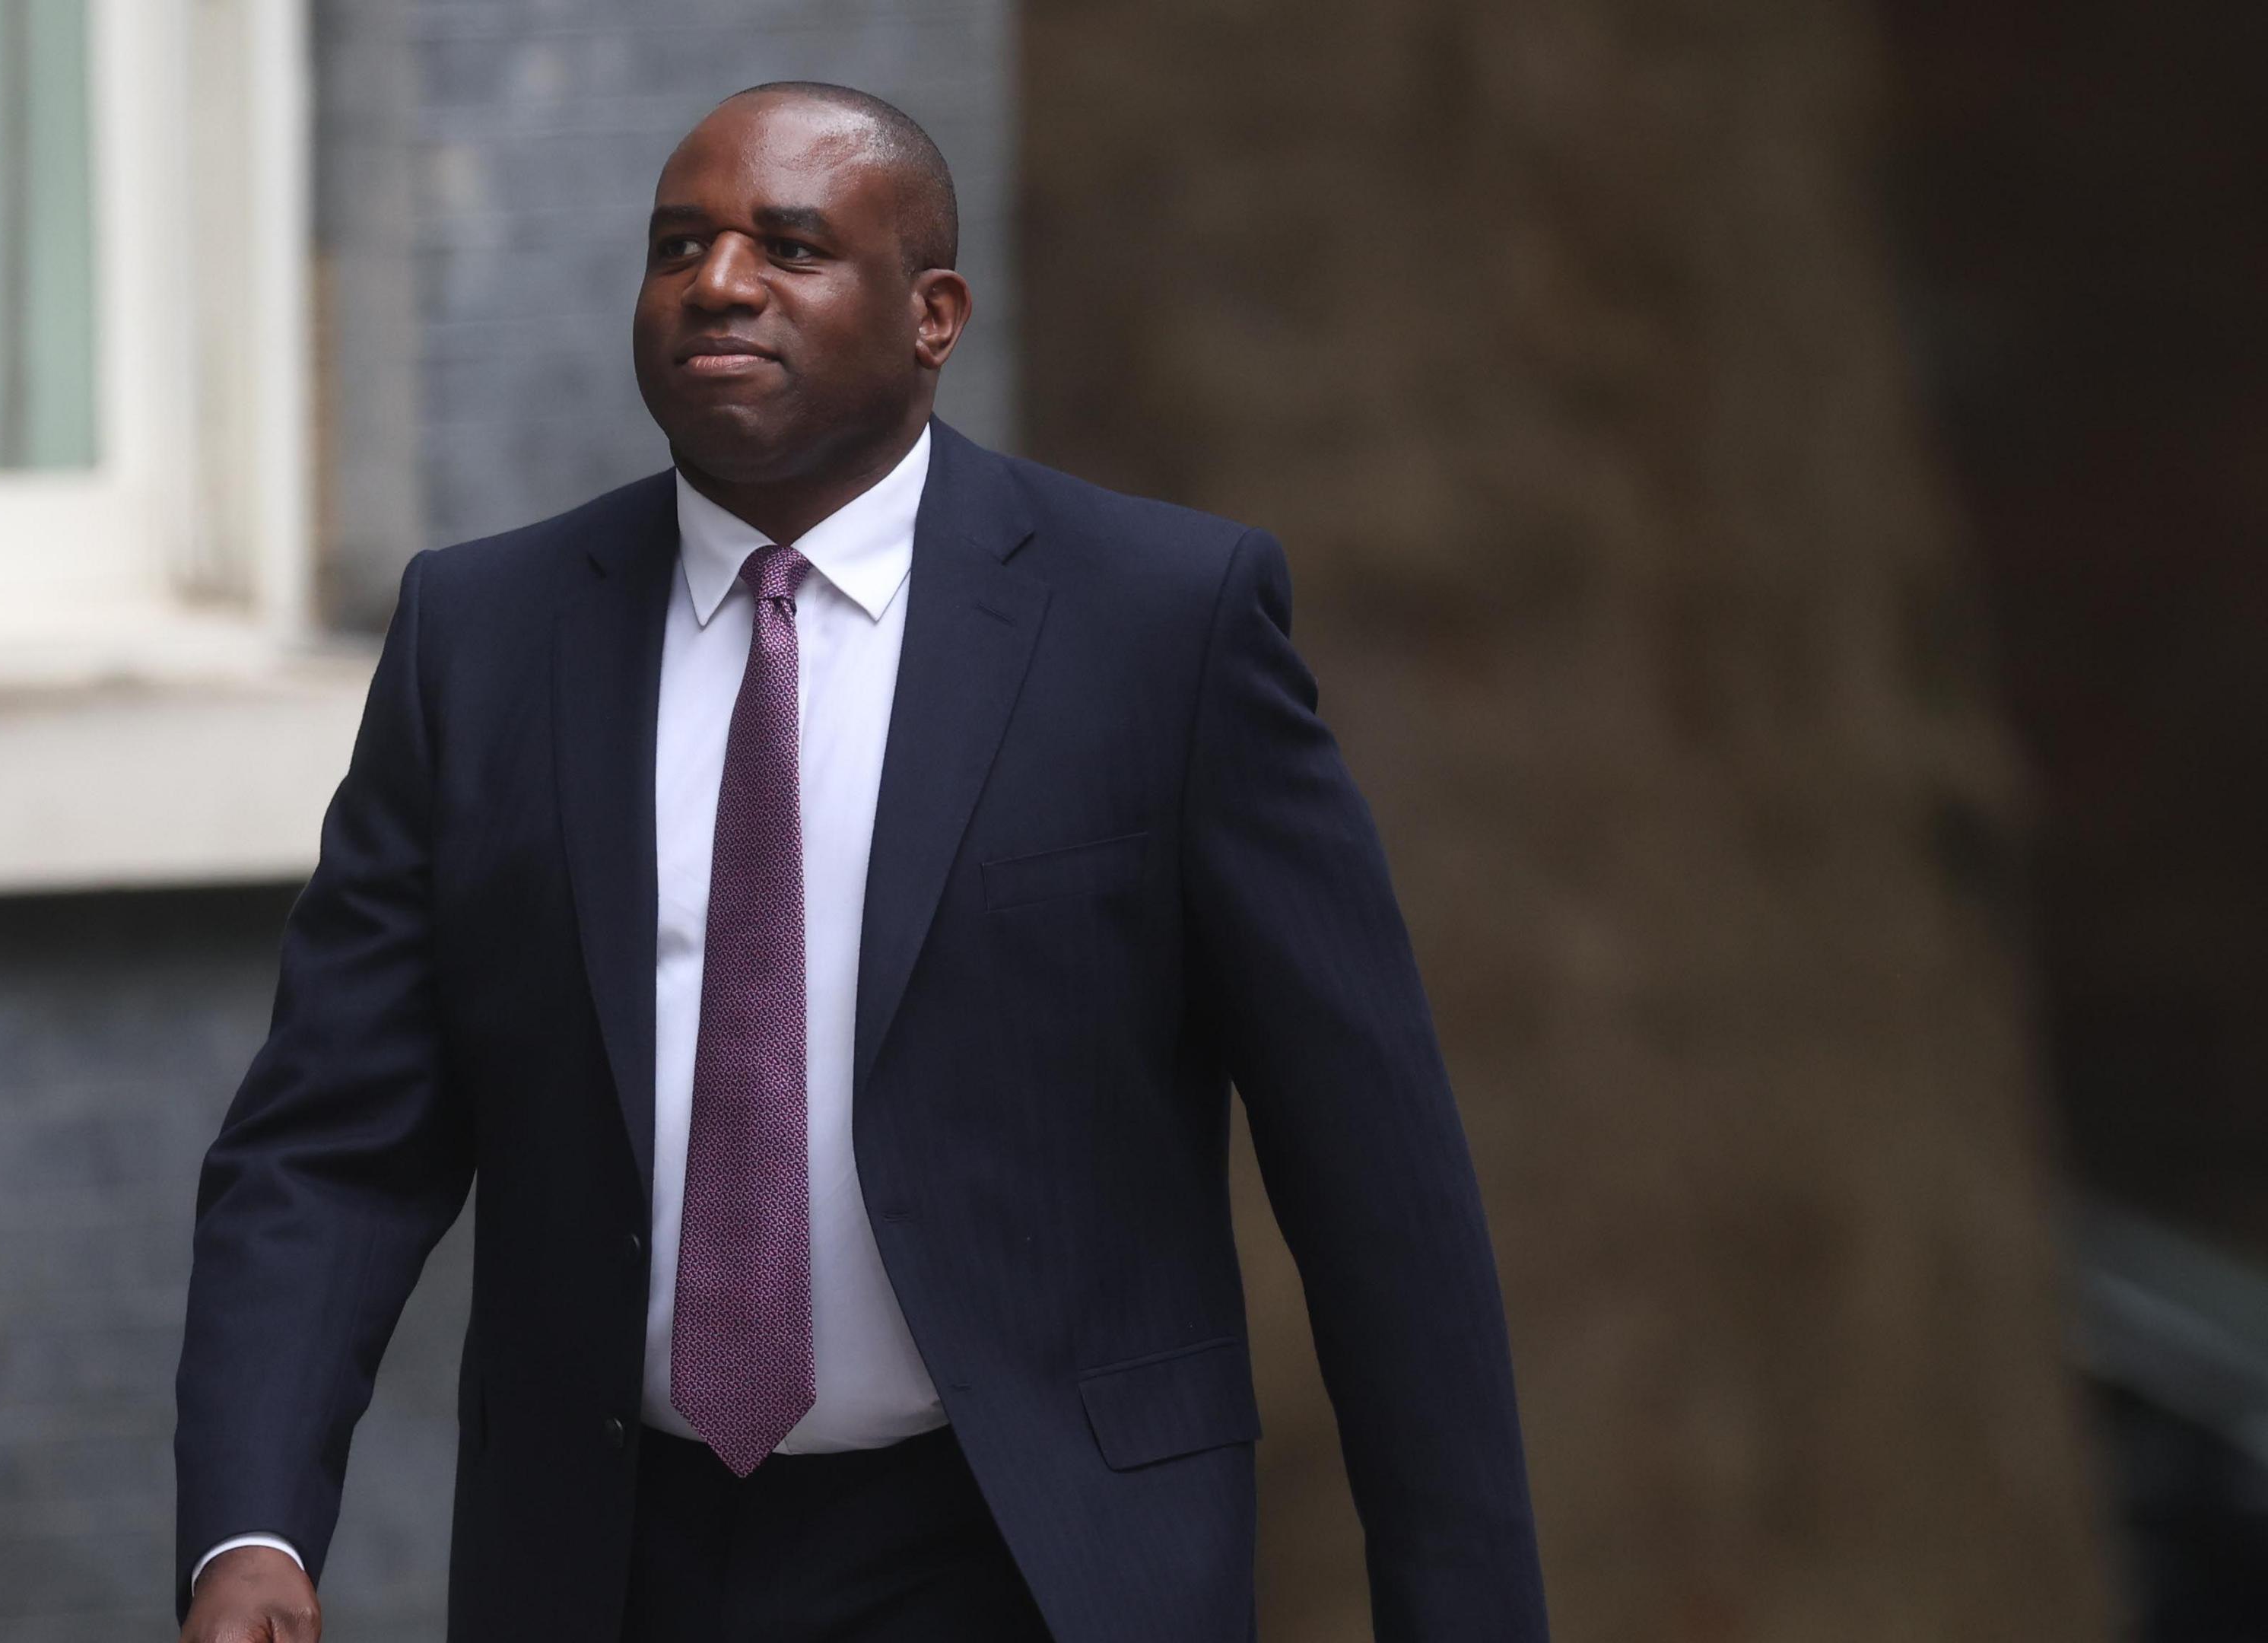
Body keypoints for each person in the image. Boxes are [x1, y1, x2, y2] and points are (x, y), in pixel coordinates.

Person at [174, 81, 1547, 1643]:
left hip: (1027, 1550)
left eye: (792, 244)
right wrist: (249, 1529)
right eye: (678, 243)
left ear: (934, 313)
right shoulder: (481, 645)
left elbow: (1375, 1179)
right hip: (612, 1556)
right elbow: (328, 1144)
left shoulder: (1159, 630)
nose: (721, 281)